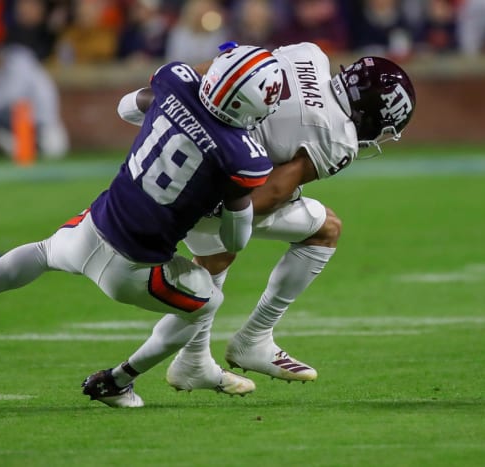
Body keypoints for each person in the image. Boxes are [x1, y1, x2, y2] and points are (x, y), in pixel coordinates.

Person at [0, 44, 283, 408]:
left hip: (92, 228)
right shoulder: (242, 156)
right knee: (208, 302)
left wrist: (168, 123)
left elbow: (127, 108)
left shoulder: (176, 81)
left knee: (41, 252)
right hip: (136, 269)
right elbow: (237, 239)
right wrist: (225, 204)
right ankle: (117, 380)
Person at [118, 41, 416, 389]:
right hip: (203, 178)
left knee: (215, 256)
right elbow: (272, 194)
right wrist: (211, 207)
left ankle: (193, 362)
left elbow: (224, 67)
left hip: (166, 149)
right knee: (324, 230)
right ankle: (253, 339)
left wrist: (167, 102)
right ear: (369, 116)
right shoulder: (337, 136)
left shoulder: (309, 54)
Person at [0, 44, 69, 159]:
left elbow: (10, 95)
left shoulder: (17, 65)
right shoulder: (9, 67)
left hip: (40, 118)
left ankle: (27, 146)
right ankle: (25, 147)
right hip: (33, 117)